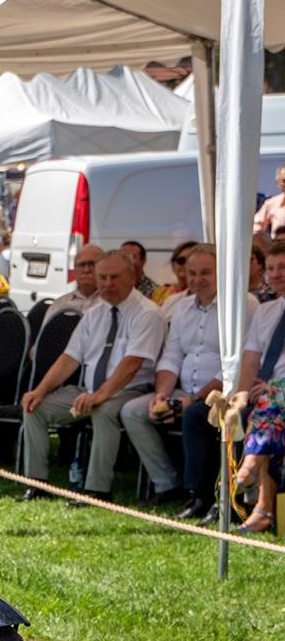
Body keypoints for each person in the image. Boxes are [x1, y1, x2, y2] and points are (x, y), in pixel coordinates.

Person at [19, 251, 166, 502]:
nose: (107, 284)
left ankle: (97, 490)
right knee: (35, 408)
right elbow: (69, 358)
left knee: (103, 409)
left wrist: (99, 396)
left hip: (131, 391)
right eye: (102, 277)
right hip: (88, 390)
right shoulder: (95, 313)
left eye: (115, 277)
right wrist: (39, 391)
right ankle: (37, 483)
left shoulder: (147, 313)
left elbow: (132, 364)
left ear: (132, 277)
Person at [122, 244, 256, 516]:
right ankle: (167, 483)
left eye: (206, 272)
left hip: (224, 393)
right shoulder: (181, 307)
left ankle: (199, 494)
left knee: (196, 413)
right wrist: (161, 394)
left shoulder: (243, 305)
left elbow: (235, 364)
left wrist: (193, 399)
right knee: (133, 411)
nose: (197, 279)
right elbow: (171, 357)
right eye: (192, 273)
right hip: (183, 392)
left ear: (222, 272)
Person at [235, 242, 285, 532]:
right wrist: (241, 396)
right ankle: (262, 508)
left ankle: (252, 464)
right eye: (270, 268)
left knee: (270, 401)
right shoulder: (265, 312)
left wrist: (272, 388)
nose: (276, 274)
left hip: (275, 391)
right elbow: (251, 360)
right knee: (262, 409)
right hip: (271, 398)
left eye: (283, 267)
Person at [160, 240, 199, 311]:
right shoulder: (161, 293)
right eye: (181, 260)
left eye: (191, 260)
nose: (185, 264)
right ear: (173, 264)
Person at [255, 165, 285, 239]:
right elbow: (256, 228)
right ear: (278, 183)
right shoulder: (272, 203)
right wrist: (267, 243)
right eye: (284, 180)